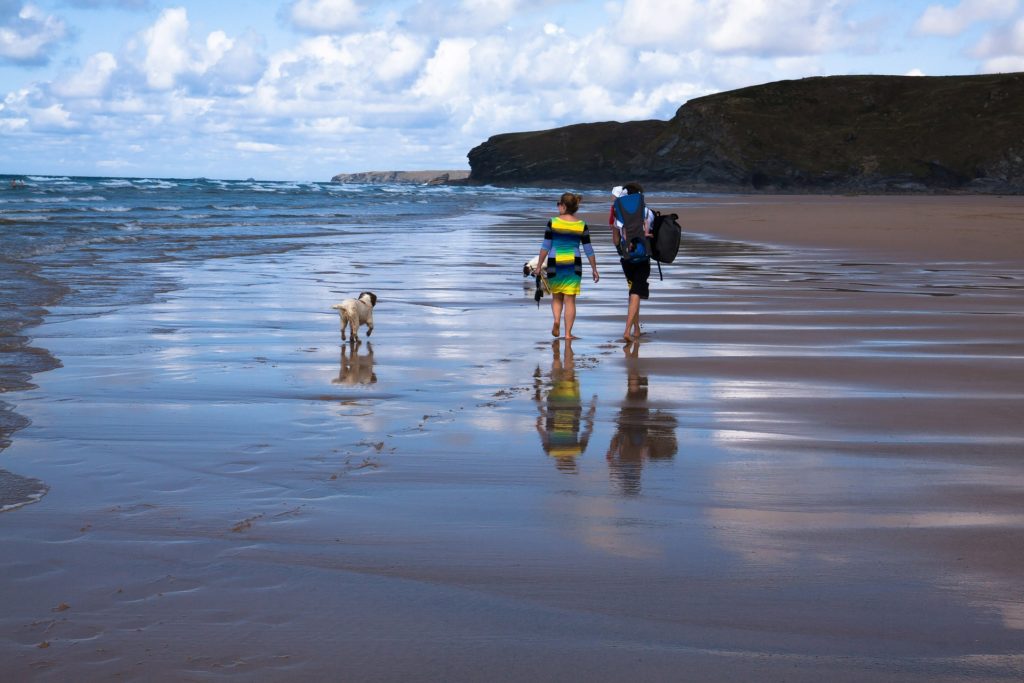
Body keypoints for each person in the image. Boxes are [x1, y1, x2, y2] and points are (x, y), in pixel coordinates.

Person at [536, 192, 599, 339]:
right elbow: (588, 249)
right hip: (573, 263)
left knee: (557, 298)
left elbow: (545, 246)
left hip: (554, 262)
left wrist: (539, 266)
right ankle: (568, 334)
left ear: (563, 206)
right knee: (570, 300)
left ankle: (557, 320)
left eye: (559, 204)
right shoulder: (581, 225)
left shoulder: (553, 222)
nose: (558, 207)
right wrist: (594, 269)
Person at [609, 183, 654, 342]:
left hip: (626, 259)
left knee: (633, 292)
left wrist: (621, 250)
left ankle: (636, 329)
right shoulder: (647, 212)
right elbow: (651, 235)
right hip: (643, 258)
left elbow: (615, 238)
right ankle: (627, 330)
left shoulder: (619, 213)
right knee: (636, 292)